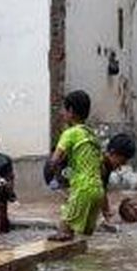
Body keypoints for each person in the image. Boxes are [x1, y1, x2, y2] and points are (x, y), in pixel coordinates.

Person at [46, 91, 102, 241]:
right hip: (97, 190)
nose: (62, 113)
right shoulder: (91, 135)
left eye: (63, 109)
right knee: (83, 241)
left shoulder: (70, 133)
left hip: (82, 189)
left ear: (70, 111)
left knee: (63, 235)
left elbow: (54, 160)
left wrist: (52, 176)